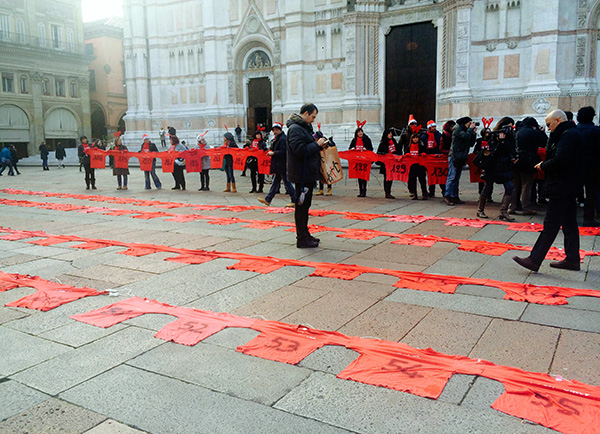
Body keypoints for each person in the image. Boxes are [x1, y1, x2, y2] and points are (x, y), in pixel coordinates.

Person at [513, 109, 584, 272]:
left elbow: (561, 160)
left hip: (562, 186)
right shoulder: (571, 133)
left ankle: (534, 259)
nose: (548, 128)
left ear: (558, 120)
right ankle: (572, 259)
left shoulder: (568, 135)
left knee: (551, 224)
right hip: (568, 186)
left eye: (549, 125)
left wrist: (543, 165)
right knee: (569, 224)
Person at [287, 103, 327, 248]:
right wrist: (316, 145)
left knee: (305, 206)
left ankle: (305, 233)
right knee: (302, 207)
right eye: (312, 116)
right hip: (301, 174)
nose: (313, 120)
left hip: (307, 173)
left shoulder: (303, 128)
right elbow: (299, 150)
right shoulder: (295, 129)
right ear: (305, 113)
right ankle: (301, 238)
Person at [475, 117, 517, 221]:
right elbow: (493, 152)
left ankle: (503, 211)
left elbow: (510, 149)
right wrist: (500, 142)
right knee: (487, 187)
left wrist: (513, 157)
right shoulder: (494, 136)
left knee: (510, 186)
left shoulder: (511, 137)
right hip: (493, 166)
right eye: (509, 127)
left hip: (505, 166)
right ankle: (480, 209)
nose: (510, 129)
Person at [508, 117, 546, 216]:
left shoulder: (516, 132)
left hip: (516, 160)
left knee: (515, 185)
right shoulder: (533, 132)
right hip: (528, 160)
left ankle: (512, 207)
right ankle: (526, 207)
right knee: (526, 185)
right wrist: (542, 132)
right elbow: (544, 142)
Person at [258, 122, 295, 207]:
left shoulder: (282, 139)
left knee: (287, 183)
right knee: (276, 183)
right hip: (278, 164)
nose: (275, 131)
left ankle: (294, 199)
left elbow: (283, 152)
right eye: (274, 130)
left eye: (276, 130)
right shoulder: (277, 138)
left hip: (281, 164)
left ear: (280, 130)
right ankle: (268, 199)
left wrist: (273, 153)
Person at [576, 106, 600, 227]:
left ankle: (569, 216)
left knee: (574, 191)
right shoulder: (595, 131)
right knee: (592, 192)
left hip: (575, 165)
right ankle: (588, 217)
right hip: (593, 166)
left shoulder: (574, 130)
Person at [445, 117, 476, 205]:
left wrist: (473, 133)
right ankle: (447, 195)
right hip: (454, 156)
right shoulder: (457, 128)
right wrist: (470, 130)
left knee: (457, 177)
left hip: (461, 156)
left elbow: (471, 143)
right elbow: (465, 137)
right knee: (452, 176)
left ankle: (454, 196)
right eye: (469, 123)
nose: (470, 125)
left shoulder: (466, 131)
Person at [420, 120, 444, 197]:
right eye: (432, 127)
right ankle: (431, 191)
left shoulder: (439, 135)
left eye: (435, 126)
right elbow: (422, 147)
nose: (434, 128)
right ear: (429, 128)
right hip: (428, 158)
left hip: (437, 157)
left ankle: (443, 191)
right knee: (430, 175)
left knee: (439, 175)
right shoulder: (423, 137)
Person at [348, 125, 373, 197]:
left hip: (364, 160)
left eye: (361, 132)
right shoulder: (354, 140)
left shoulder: (367, 139)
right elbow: (350, 148)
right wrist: (352, 148)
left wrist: (366, 149)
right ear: (356, 133)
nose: (360, 133)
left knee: (364, 176)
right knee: (359, 176)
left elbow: (371, 148)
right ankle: (360, 191)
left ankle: (364, 191)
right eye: (359, 132)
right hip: (357, 160)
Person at [376, 128, 402, 199]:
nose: (390, 135)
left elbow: (397, 150)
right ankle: (387, 192)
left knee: (391, 178)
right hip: (385, 164)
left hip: (393, 163)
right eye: (389, 133)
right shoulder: (383, 143)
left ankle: (389, 191)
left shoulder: (393, 141)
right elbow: (379, 153)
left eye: (391, 133)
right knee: (386, 178)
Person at [406, 132, 428, 200]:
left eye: (416, 138)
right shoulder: (409, 146)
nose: (415, 139)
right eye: (414, 138)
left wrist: (424, 154)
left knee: (422, 180)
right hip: (412, 166)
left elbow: (425, 151)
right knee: (413, 180)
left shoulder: (421, 145)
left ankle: (424, 193)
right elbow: (406, 152)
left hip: (420, 166)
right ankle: (414, 193)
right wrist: (407, 154)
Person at [314, 130, 335, 196]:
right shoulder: (317, 143)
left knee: (329, 175)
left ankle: (329, 189)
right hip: (320, 161)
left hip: (327, 161)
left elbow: (331, 148)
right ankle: (321, 189)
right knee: (321, 175)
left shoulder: (326, 142)